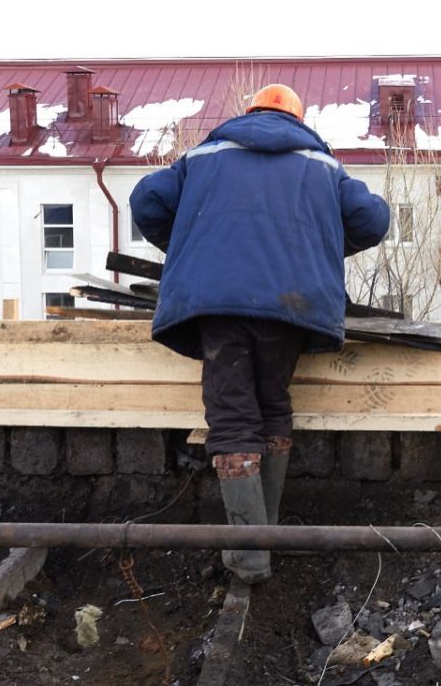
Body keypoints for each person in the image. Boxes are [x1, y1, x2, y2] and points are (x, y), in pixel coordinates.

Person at [131, 83, 389, 583]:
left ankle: (250, 557)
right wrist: (314, 249)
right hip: (291, 306)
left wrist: (190, 245)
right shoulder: (322, 164)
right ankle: (265, 539)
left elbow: (146, 202)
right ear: (298, 119)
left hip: (218, 307)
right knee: (272, 407)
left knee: (231, 418)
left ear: (248, 113)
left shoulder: (204, 155)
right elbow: (373, 220)